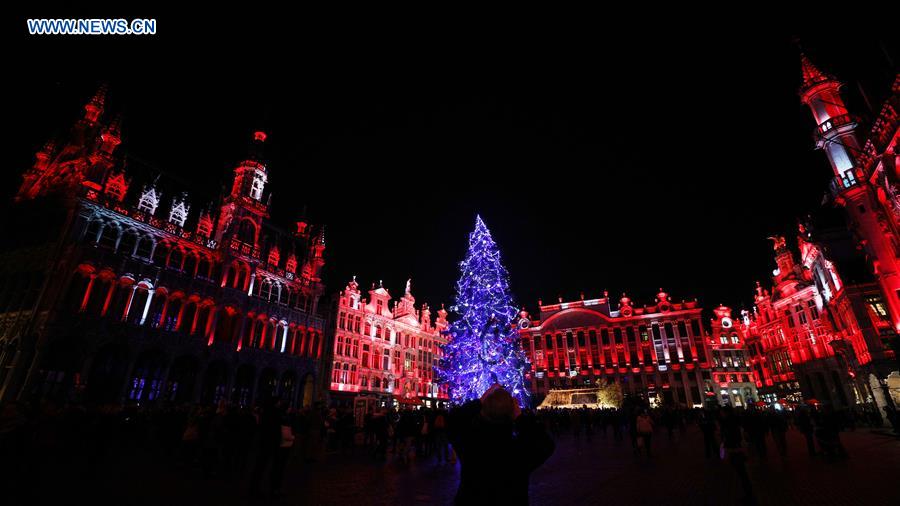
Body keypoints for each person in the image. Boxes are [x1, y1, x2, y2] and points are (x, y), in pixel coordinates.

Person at [448, 384, 554, 505]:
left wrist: (481, 400)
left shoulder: (469, 442)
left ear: (482, 412)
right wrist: (520, 417)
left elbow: (454, 419)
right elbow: (546, 442)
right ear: (512, 413)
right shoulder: (519, 449)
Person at [720, 407, 753, 501]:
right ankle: (748, 491)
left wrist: (726, 446)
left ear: (726, 413)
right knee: (742, 472)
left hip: (735, 449)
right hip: (738, 448)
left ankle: (749, 493)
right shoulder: (736, 420)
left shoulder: (729, 423)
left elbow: (731, 437)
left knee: (741, 472)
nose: (721, 414)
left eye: (722, 413)